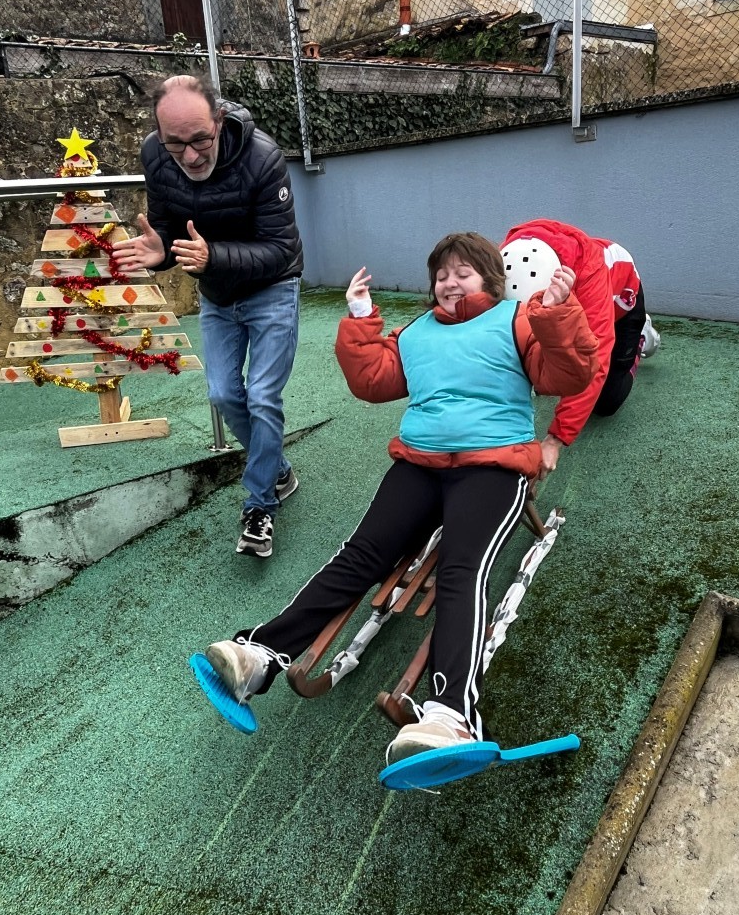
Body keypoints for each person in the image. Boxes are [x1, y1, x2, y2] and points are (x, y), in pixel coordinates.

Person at [198, 232, 598, 766]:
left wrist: (557, 313)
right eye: (442, 274)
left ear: (489, 278)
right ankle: (261, 655)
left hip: (494, 468)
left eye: (463, 273)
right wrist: (362, 320)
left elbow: (570, 373)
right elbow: (372, 382)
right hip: (420, 464)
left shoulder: (518, 320)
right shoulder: (417, 331)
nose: (450, 282)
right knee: (361, 554)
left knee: (461, 572)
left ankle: (451, 713)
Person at [112, 74, 303, 558]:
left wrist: (213, 255)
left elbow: (281, 248)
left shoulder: (262, 157)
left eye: (200, 139)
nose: (191, 155)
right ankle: (278, 470)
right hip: (217, 295)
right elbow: (167, 228)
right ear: (159, 134)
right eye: (176, 144)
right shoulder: (155, 155)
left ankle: (259, 505)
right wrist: (161, 251)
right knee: (223, 393)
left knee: (262, 395)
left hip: (272, 288)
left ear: (218, 120)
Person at [500, 219, 660, 479]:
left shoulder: (591, 276)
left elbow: (594, 362)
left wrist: (555, 439)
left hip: (619, 300)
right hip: (569, 296)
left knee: (607, 403)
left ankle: (641, 334)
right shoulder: (504, 262)